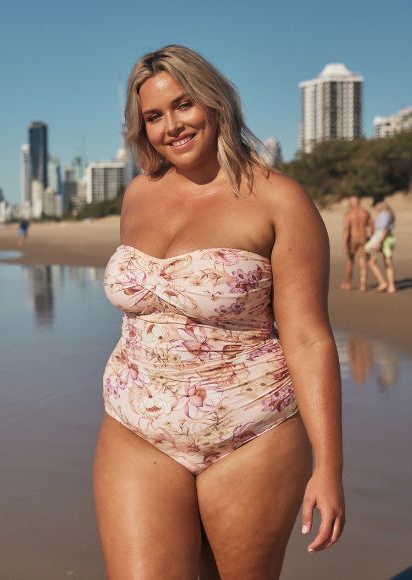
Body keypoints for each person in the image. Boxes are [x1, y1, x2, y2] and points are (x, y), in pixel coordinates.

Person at [95, 45, 345, 579]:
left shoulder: (279, 200)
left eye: (183, 105)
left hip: (250, 432)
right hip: (135, 426)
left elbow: (307, 338)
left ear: (215, 102)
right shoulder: (139, 193)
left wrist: (329, 466)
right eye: (154, 116)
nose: (172, 126)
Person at [340, 196, 373, 291]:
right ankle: (363, 285)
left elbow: (346, 229)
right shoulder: (365, 213)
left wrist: (344, 243)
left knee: (350, 261)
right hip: (363, 238)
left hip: (353, 238)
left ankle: (348, 283)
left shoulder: (349, 214)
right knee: (363, 261)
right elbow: (372, 225)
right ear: (359, 202)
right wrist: (371, 236)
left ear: (351, 203)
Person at [365, 199, 396, 293]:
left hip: (383, 240)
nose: (374, 208)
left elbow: (383, 231)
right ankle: (390, 286)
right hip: (388, 239)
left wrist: (379, 243)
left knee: (375, 262)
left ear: (379, 205)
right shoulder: (389, 214)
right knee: (387, 263)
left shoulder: (384, 215)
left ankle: (384, 283)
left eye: (375, 206)